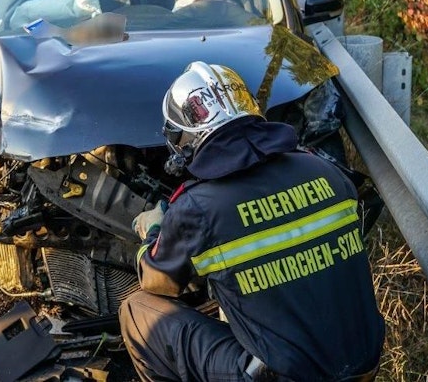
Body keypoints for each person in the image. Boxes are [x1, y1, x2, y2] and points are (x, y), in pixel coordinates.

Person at [120, 62, 385, 382]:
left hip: (286, 377)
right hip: (363, 366)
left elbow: (156, 280)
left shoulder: (195, 207)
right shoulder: (326, 171)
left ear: (185, 137)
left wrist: (154, 229)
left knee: (136, 310)